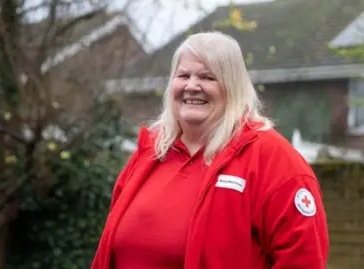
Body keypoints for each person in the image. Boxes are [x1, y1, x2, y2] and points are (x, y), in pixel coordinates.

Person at [91, 31, 329, 269]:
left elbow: (303, 259)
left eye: (207, 77)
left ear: (232, 87)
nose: (192, 86)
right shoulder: (150, 153)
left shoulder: (272, 159)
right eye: (183, 75)